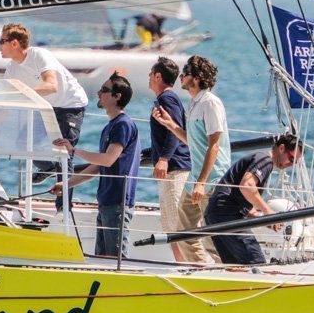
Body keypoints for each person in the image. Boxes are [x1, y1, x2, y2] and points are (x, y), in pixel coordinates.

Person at [151, 54, 229, 264]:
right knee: (183, 231)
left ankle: (227, 272)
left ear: (196, 77)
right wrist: (170, 124)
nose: (181, 77)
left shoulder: (210, 103)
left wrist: (202, 182)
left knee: (213, 235)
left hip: (211, 180)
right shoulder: (194, 103)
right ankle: (200, 269)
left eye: (185, 74)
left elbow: (214, 145)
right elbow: (192, 141)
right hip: (195, 178)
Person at [53, 74, 140, 259]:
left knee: (115, 260)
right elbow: (99, 167)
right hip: (107, 201)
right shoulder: (111, 127)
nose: (99, 93)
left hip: (118, 202)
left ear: (117, 97)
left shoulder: (123, 125)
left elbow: (107, 159)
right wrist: (67, 184)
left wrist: (73, 151)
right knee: (102, 258)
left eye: (104, 90)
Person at [0, 22, 89, 181]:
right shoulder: (12, 68)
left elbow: (51, 85)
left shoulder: (39, 55)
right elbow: (8, 99)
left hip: (71, 105)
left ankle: (63, 205)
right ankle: (50, 168)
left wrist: (24, 93)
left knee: (63, 152)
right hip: (47, 106)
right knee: (23, 143)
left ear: (14, 43)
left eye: (1, 41)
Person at [204, 133, 300, 266]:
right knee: (256, 261)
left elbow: (238, 194)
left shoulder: (262, 160)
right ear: (282, 148)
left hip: (216, 213)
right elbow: (247, 186)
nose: (291, 164)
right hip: (226, 214)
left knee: (234, 266)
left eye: (295, 162)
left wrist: (260, 217)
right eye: (291, 158)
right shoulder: (265, 160)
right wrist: (268, 211)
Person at [147, 57, 192, 262]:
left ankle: (190, 268)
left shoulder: (168, 99)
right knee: (170, 228)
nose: (148, 77)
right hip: (169, 170)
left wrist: (164, 158)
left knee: (177, 226)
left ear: (158, 76)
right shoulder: (164, 99)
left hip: (175, 169)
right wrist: (151, 154)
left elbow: (174, 131)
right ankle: (181, 266)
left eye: (151, 73)